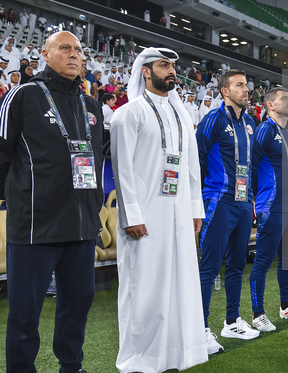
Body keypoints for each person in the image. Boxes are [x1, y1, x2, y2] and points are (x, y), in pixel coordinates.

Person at [0, 31, 103, 373]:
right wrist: (22, 199)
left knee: (78, 303)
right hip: (36, 224)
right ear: (45, 53)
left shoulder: (91, 105)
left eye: (79, 50)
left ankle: (72, 366)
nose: (74, 55)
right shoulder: (22, 96)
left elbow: (95, 159)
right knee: (25, 310)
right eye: (65, 48)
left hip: (82, 224)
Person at [110, 47, 207, 372]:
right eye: (164, 65)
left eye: (173, 66)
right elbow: (121, 170)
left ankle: (178, 353)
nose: (171, 71)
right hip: (146, 217)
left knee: (181, 286)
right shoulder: (129, 113)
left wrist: (196, 209)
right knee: (145, 289)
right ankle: (139, 359)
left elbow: (192, 168)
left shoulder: (181, 115)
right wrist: (131, 216)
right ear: (146, 72)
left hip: (179, 216)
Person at [196, 69, 259, 351]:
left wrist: (253, 197)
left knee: (236, 265)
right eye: (239, 85)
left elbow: (251, 163)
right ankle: (200, 329)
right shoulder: (212, 120)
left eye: (246, 85)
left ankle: (232, 322)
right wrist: (195, 203)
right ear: (224, 90)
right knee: (209, 267)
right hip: (218, 200)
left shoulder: (250, 122)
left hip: (244, 202)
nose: (246, 89)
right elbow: (195, 159)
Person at [249, 88, 288, 333]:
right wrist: (256, 199)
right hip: (272, 204)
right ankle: (258, 314)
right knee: (263, 260)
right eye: (284, 98)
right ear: (270, 105)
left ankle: (286, 306)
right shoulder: (265, 129)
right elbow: (252, 165)